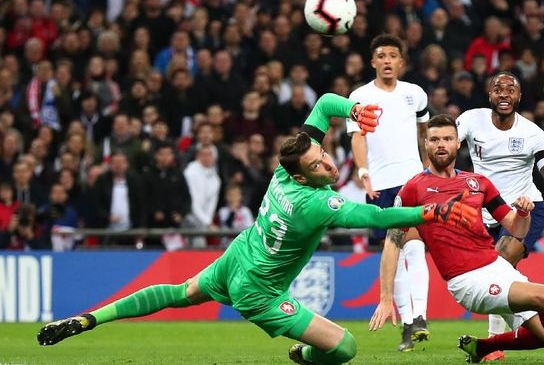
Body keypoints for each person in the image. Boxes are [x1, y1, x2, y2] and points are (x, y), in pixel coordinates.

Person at [36, 93, 477, 365]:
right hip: (258, 291)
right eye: (318, 165)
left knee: (179, 293)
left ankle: (91, 318)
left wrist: (353, 110)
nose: (326, 161)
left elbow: (324, 104)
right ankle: (301, 356)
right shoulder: (315, 202)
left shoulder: (288, 171)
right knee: (343, 349)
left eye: (322, 154)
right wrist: (429, 214)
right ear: (302, 176)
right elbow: (378, 217)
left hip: (238, 255)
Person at [369, 114, 544, 365]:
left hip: (496, 267)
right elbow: (393, 243)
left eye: (447, 139)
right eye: (434, 139)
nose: (441, 145)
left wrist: (524, 212)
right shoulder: (414, 188)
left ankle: (481, 347)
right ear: (425, 144)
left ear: (458, 144)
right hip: (467, 281)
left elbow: (516, 228)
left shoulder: (477, 182)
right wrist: (385, 297)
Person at [455, 71, 544, 361]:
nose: (504, 93)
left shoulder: (532, 133)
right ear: (490, 95)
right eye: (498, 89)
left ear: (519, 97)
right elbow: (444, 149)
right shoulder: (471, 120)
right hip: (482, 214)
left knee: (499, 264)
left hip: (525, 210)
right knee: (500, 276)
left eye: (511, 89)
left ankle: (493, 343)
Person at [346, 34, 432, 352]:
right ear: (373, 62)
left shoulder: (415, 95)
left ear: (401, 62)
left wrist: (427, 168)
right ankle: (408, 323)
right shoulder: (359, 97)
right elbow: (357, 138)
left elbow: (425, 132)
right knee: (390, 251)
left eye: (392, 55)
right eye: (380, 55)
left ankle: (419, 317)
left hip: (412, 181)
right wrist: (364, 172)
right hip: (380, 184)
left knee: (414, 246)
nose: (386, 60)